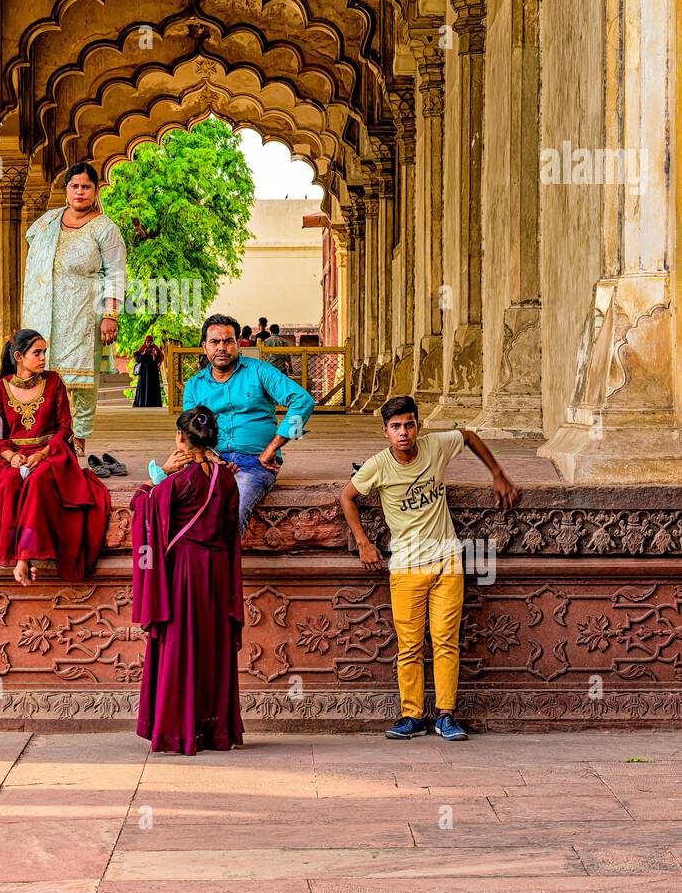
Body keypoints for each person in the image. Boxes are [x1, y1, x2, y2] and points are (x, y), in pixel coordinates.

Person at [339, 395, 521, 743]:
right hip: (406, 566)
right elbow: (347, 496)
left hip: (447, 561)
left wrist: (498, 474)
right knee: (409, 646)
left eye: (409, 424)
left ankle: (446, 715)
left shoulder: (435, 447)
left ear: (418, 427)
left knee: (445, 642)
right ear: (385, 432)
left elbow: (467, 435)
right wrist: (363, 541)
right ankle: (412, 716)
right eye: (395, 427)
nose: (403, 432)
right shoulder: (378, 466)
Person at [134, 405, 243, 754]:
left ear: (181, 438)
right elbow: (230, 530)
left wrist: (159, 474)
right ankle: (213, 730)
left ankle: (177, 731)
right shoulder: (225, 478)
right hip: (217, 570)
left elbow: (141, 508)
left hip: (182, 572)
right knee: (211, 647)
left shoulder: (176, 480)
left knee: (180, 648)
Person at [0, 327, 112, 585]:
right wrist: (10, 457)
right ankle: (22, 555)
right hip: (15, 456)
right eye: (37, 353)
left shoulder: (53, 382)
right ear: (18, 356)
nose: (43, 358)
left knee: (37, 482)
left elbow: (65, 429)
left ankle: (23, 558)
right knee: (8, 483)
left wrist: (42, 454)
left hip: (52, 454)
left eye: (44, 352)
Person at [22, 162, 127, 464]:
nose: (80, 191)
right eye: (74, 185)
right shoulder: (47, 222)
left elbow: (115, 273)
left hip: (82, 313)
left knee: (81, 383)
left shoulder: (106, 229)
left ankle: (77, 443)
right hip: (43, 313)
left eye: (86, 186)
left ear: (95, 191)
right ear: (66, 189)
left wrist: (110, 314)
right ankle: (41, 441)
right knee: (41, 378)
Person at [182, 314, 314, 533]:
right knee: (183, 506)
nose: (222, 347)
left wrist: (273, 447)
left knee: (232, 510)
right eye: (215, 342)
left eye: (228, 341)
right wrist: (209, 457)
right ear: (204, 346)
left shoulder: (259, 371)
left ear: (238, 344)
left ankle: (221, 566)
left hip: (256, 463)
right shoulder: (195, 385)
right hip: (210, 464)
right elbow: (188, 429)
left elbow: (304, 401)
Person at [132, 334, 164, 408]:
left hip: (153, 372)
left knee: (153, 387)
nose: (149, 344)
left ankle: (154, 404)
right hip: (144, 373)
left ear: (153, 342)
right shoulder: (142, 348)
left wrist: (154, 355)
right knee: (143, 387)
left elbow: (161, 358)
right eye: (148, 342)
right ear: (145, 342)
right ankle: (142, 403)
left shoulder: (156, 349)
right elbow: (138, 360)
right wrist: (142, 355)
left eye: (151, 342)